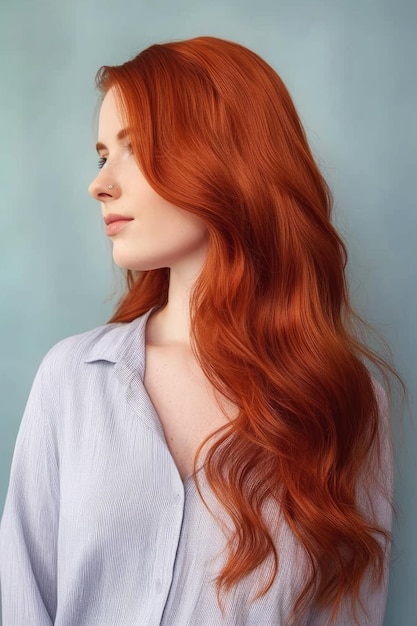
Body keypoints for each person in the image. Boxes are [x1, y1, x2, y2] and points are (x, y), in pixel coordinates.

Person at [0, 36, 401, 625]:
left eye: (135, 150)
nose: (100, 183)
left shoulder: (347, 401)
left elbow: (351, 611)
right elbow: (20, 598)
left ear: (228, 157)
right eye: (102, 154)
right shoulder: (72, 381)